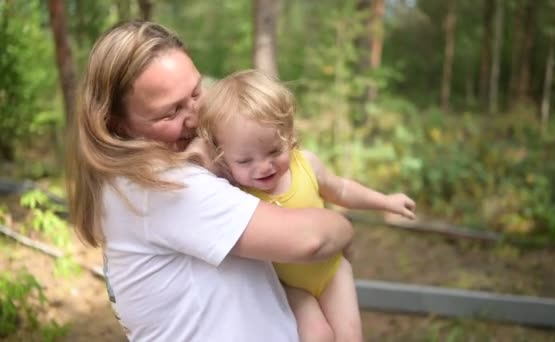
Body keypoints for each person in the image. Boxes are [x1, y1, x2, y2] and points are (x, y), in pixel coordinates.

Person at [65, 21, 353, 342]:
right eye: (170, 112)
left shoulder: (124, 183)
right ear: (117, 126)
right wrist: (342, 227)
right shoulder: (161, 186)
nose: (195, 116)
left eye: (196, 93)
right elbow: (311, 239)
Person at [198, 69, 416, 342]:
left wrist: (385, 201)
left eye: (274, 151)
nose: (263, 166)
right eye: (245, 161)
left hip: (331, 272)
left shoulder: (306, 164)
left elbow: (342, 189)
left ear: (288, 134)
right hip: (290, 286)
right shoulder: (235, 190)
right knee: (318, 336)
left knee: (350, 337)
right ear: (223, 159)